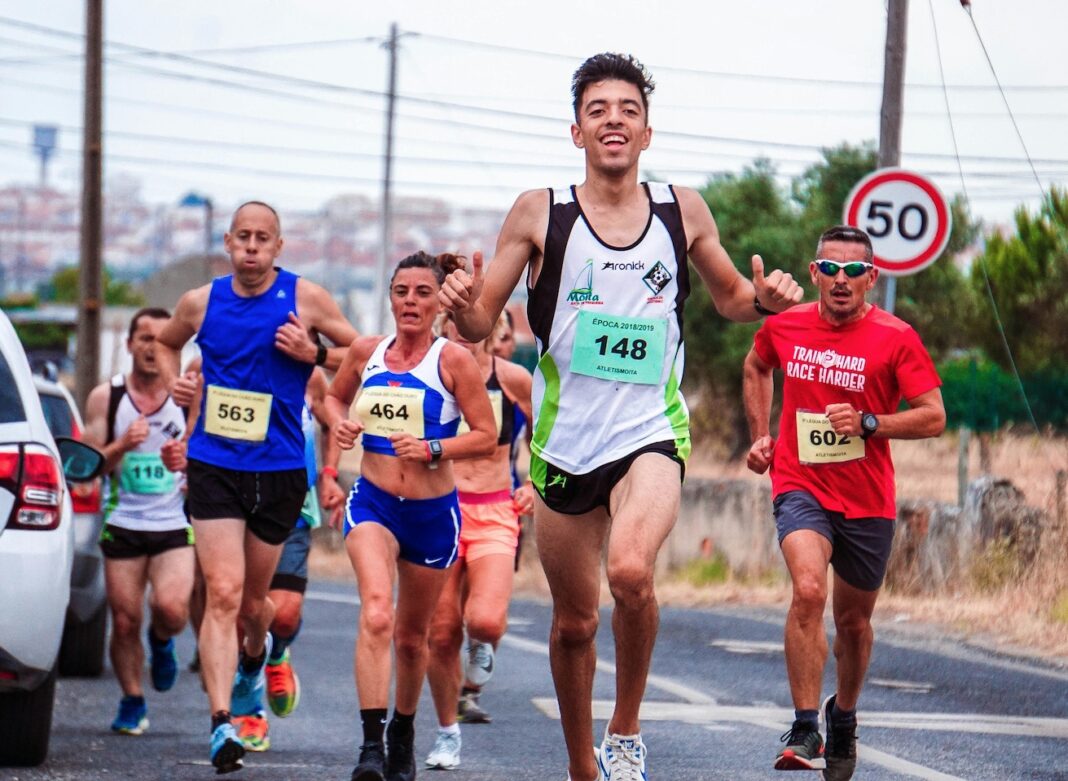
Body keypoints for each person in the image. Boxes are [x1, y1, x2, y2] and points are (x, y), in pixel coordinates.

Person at [438, 53, 803, 781]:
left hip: (650, 429)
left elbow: (731, 297)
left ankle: (627, 729)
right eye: (598, 109)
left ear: (646, 131)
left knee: (632, 572)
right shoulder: (540, 211)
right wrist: (462, 302)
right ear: (576, 131)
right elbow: (481, 320)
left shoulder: (681, 209)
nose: (613, 120)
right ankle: (583, 765)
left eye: (627, 109)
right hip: (564, 442)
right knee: (575, 622)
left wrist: (764, 298)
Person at [156, 200, 357, 773]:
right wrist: (179, 389)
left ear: (277, 246)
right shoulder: (201, 301)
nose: (250, 246)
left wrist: (313, 352)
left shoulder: (305, 297)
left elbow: (362, 354)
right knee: (221, 592)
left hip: (278, 471)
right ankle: (221, 723)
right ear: (227, 241)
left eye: (261, 238)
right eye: (241, 236)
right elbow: (168, 343)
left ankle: (254, 661)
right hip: (214, 463)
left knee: (253, 606)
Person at [742, 225, 945, 779]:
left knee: (852, 624)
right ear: (814, 274)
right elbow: (757, 364)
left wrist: (871, 423)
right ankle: (806, 724)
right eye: (829, 268)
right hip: (799, 484)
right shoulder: (785, 326)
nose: (840, 280)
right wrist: (761, 435)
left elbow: (933, 415)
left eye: (853, 271)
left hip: (868, 498)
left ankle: (844, 716)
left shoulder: (896, 337)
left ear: (871, 280)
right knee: (808, 590)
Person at [323, 251, 497, 781]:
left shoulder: (453, 361)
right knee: (377, 612)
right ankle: (370, 747)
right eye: (402, 291)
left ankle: (403, 731)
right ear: (390, 296)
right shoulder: (364, 352)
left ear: (438, 301)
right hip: (374, 501)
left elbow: (486, 435)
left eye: (423, 292)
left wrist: (433, 449)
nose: (411, 302)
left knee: (411, 636)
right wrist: (341, 427)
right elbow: (333, 401)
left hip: (431, 513)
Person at [424, 312, 534, 770]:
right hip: (440, 508)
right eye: (453, 322)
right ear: (443, 327)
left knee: (485, 620)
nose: (462, 331)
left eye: (473, 322)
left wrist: (535, 483)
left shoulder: (513, 378)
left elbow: (549, 429)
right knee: (443, 631)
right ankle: (447, 733)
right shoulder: (430, 372)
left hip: (494, 510)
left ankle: (483, 645)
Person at [82, 307, 195, 736]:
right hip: (123, 521)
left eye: (161, 339)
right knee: (124, 619)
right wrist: (122, 446)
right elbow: (89, 466)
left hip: (173, 524)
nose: (151, 347)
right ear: (129, 345)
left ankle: (163, 640)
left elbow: (209, 459)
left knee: (170, 609)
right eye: (144, 338)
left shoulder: (189, 397)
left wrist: (187, 462)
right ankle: (132, 699)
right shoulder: (106, 397)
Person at [231, 367, 346, 751]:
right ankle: (250, 710)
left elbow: (334, 418)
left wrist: (329, 473)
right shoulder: (228, 366)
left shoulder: (309, 376)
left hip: (293, 507)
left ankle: (277, 652)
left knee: (283, 615)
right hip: (236, 506)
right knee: (239, 613)